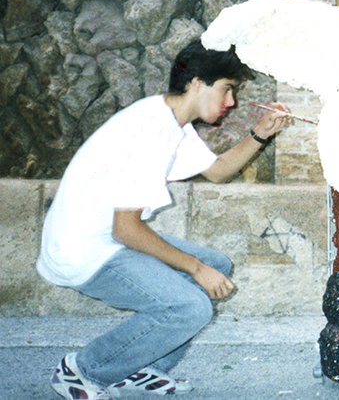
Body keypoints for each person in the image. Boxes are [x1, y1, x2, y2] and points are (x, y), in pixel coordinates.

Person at [38, 39, 289, 400]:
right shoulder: (152, 130)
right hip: (82, 248)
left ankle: (139, 369)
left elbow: (218, 171)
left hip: (104, 237)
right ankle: (83, 370)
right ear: (197, 83)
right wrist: (196, 269)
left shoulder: (170, 119)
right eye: (226, 89)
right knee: (190, 306)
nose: (231, 102)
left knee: (215, 265)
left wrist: (261, 132)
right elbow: (126, 229)